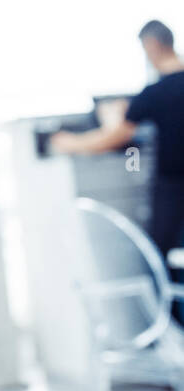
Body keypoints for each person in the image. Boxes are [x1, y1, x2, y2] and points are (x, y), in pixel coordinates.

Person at [50, 20, 184, 265]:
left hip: (173, 187)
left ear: (152, 45)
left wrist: (69, 143)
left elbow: (113, 137)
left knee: (158, 257)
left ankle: (167, 303)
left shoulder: (156, 92)